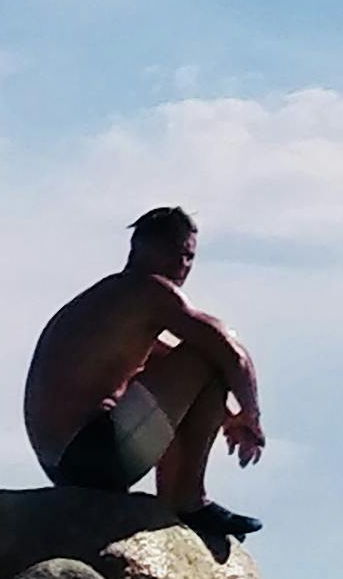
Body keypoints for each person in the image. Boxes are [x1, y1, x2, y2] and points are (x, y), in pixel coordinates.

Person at [22, 204, 263, 529]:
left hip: (63, 462)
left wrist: (227, 414)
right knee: (206, 356)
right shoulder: (150, 292)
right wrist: (250, 415)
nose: (183, 265)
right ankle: (188, 499)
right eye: (176, 252)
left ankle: (175, 499)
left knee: (198, 362)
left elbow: (176, 374)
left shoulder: (114, 303)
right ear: (144, 249)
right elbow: (227, 350)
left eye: (190, 256)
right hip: (88, 456)